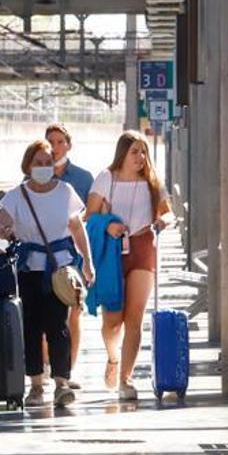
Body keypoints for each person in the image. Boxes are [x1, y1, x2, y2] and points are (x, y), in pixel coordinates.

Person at [0, 139, 94, 408]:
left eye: (48, 162)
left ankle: (61, 383)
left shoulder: (66, 191)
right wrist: (3, 233)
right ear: (28, 165)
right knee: (32, 326)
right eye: (38, 162)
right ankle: (36, 384)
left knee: (58, 326)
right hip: (29, 269)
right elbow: (0, 226)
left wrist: (88, 261)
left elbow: (76, 228)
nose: (43, 167)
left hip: (60, 270)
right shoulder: (17, 195)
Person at [84, 130, 172, 401]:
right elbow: (88, 217)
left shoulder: (152, 183)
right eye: (134, 151)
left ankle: (126, 378)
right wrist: (108, 224)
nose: (141, 157)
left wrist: (162, 222)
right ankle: (113, 357)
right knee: (113, 320)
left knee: (135, 319)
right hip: (112, 251)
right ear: (122, 153)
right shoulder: (105, 178)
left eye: (143, 151)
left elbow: (168, 212)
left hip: (143, 246)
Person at [45, 123, 94, 389]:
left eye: (60, 141)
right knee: (47, 315)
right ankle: (47, 368)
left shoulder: (84, 178)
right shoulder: (35, 176)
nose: (55, 147)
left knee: (74, 313)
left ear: (69, 144)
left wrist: (88, 259)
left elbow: (91, 213)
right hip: (43, 256)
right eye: (50, 141)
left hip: (72, 254)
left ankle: (69, 370)